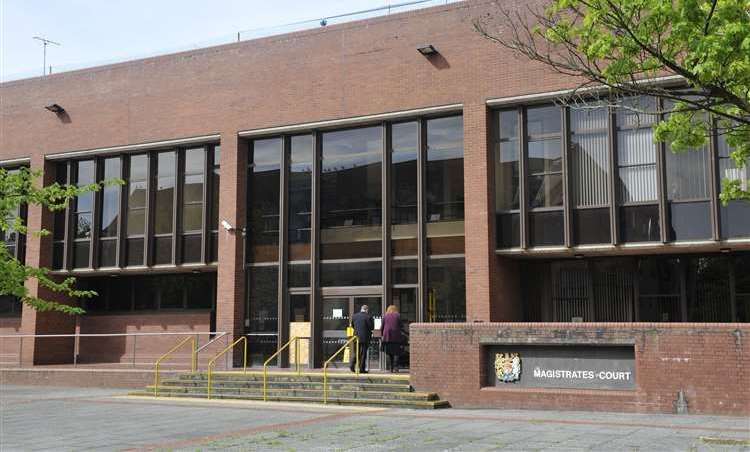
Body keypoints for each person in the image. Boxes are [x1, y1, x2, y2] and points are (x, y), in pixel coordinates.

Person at [349, 304, 374, 373]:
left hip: (356, 337)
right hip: (365, 338)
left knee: (356, 352)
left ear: (361, 309)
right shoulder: (368, 316)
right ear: (366, 310)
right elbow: (371, 327)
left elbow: (352, 325)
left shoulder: (354, 316)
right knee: (363, 354)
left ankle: (352, 364)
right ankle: (361, 369)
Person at [381, 305, 405, 373]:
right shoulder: (398, 315)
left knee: (389, 353)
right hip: (396, 337)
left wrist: (382, 335)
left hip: (387, 337)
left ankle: (391, 368)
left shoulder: (385, 316)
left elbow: (382, 326)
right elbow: (401, 325)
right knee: (396, 353)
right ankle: (396, 367)